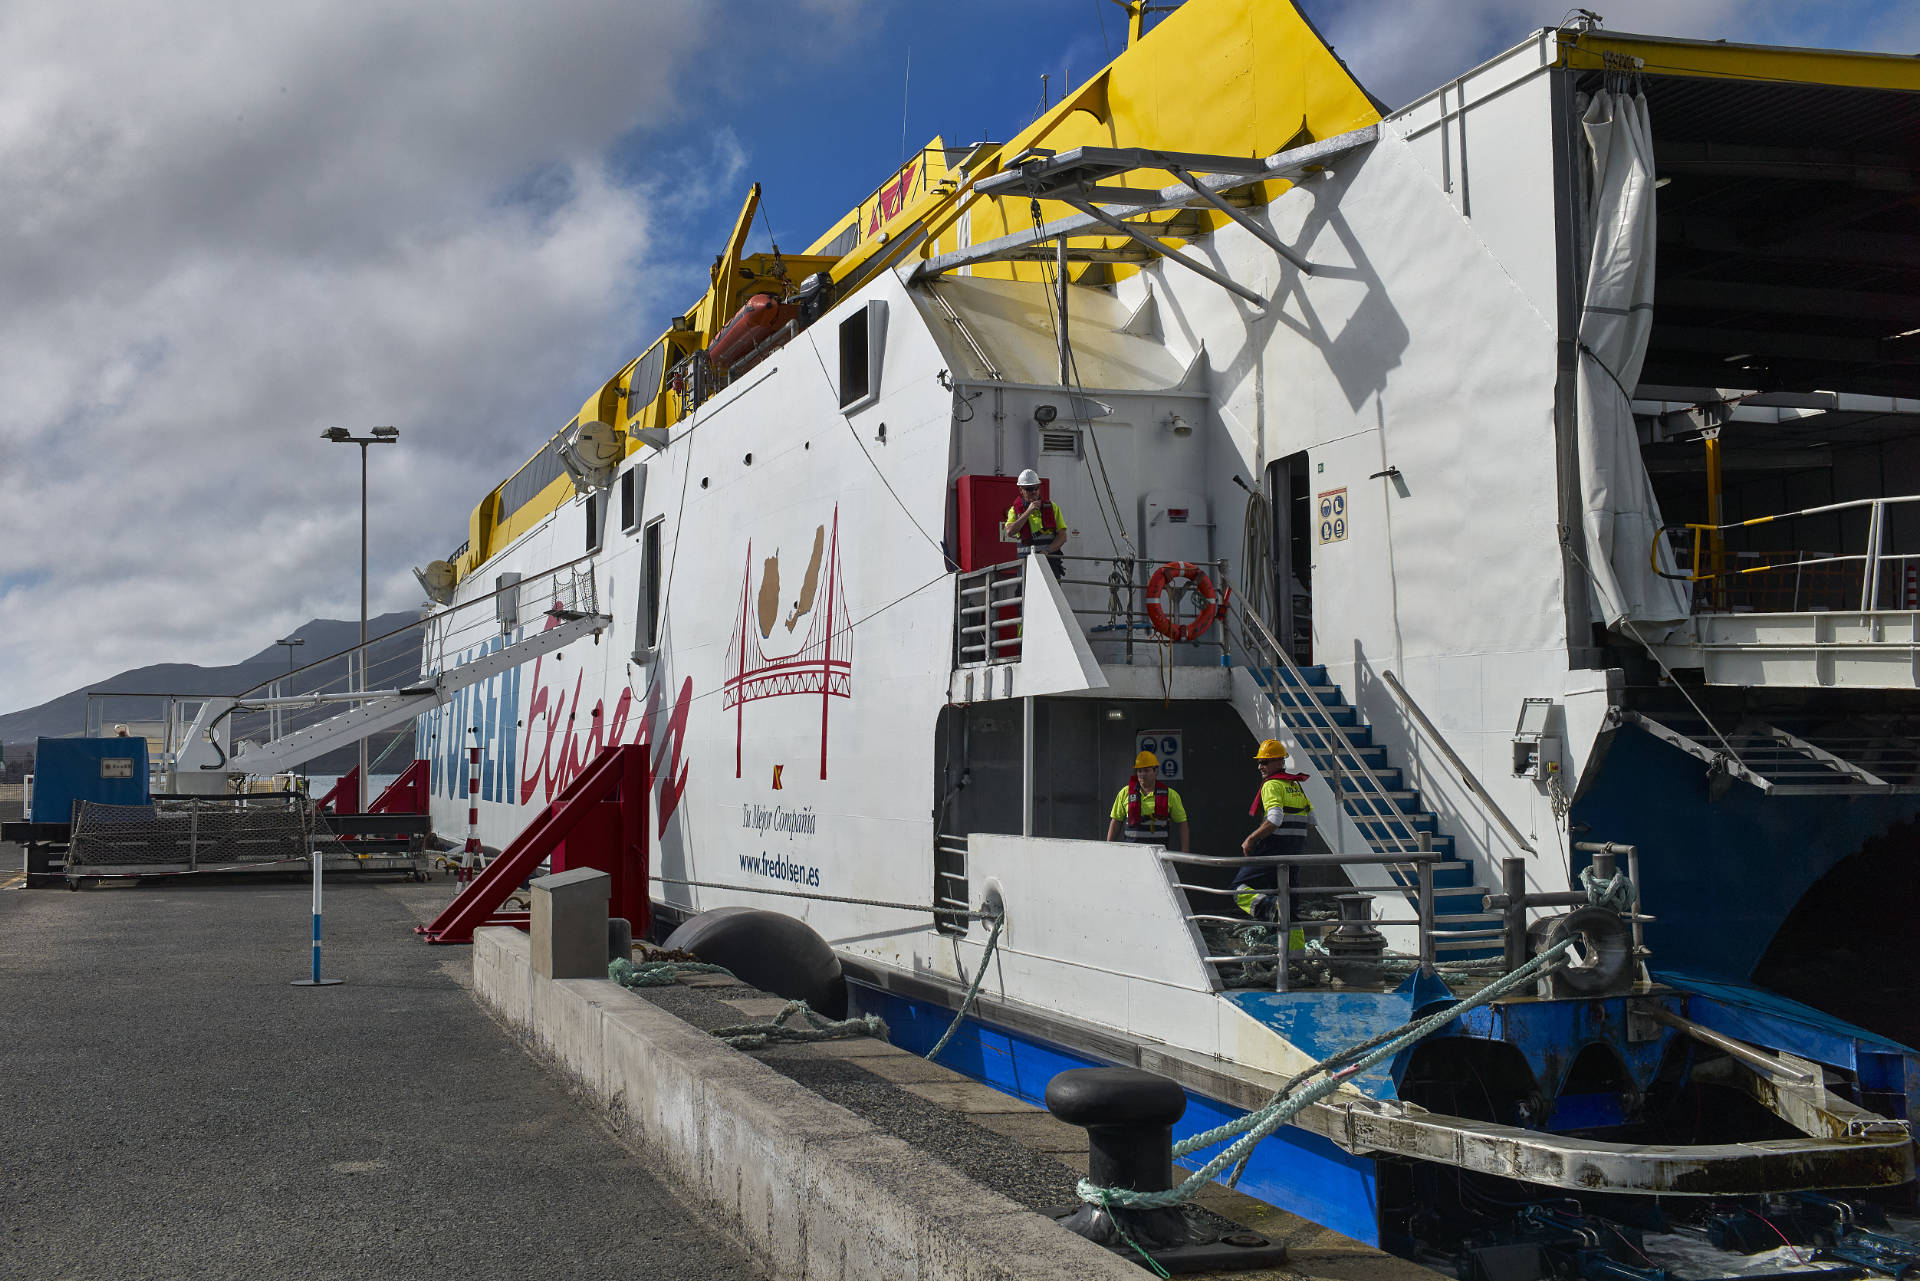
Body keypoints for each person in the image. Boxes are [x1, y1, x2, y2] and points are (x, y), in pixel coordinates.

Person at [1234, 739, 1314, 924]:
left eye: (1264, 762)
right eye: (1259, 762)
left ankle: (1272, 911)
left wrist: (1251, 839)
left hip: (1274, 850)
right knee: (1290, 908)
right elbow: (1312, 820)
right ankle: (1294, 951)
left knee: (1238, 889)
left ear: (1279, 761)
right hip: (1295, 853)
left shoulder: (1272, 785)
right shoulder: (1295, 785)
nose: (1260, 766)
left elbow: (1275, 820)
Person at [1105, 750, 1190, 851]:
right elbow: (1116, 821)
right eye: (1139, 771)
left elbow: (1182, 823)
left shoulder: (1170, 795)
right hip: (1131, 855)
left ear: (1155, 771)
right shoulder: (1125, 793)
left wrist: (1185, 851)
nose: (1142, 774)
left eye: (1146, 770)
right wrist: (1108, 848)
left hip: (1159, 856)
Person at [1001, 468, 1067, 581]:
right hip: (1026, 565)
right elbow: (1009, 531)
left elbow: (1062, 536)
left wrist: (1046, 550)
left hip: (1049, 563)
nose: (1034, 491)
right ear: (1021, 490)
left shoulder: (1052, 508)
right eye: (1029, 489)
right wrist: (1028, 512)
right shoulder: (1014, 511)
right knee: (1023, 595)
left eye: (1036, 488)